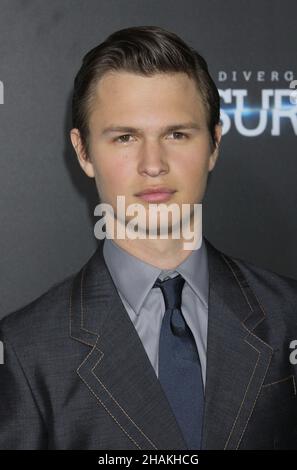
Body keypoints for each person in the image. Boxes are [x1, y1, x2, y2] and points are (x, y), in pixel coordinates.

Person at [0, 25, 296, 450]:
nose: (152, 164)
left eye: (176, 134)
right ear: (83, 152)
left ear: (214, 143)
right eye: (125, 137)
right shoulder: (26, 351)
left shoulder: (288, 318)